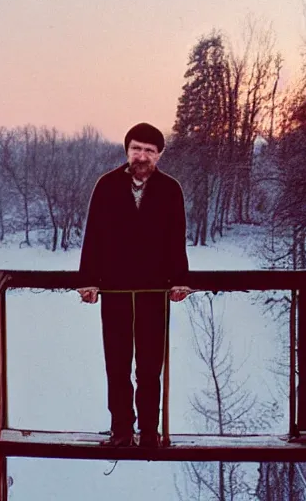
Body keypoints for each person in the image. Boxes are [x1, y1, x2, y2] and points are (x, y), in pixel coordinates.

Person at [78, 122, 190, 448]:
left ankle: (150, 434)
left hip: (154, 293)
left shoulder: (171, 190)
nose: (142, 156)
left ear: (159, 155)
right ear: (127, 150)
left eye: (149, 151)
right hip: (114, 291)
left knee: (150, 366)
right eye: (136, 148)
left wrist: (180, 280)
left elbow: (176, 239)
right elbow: (93, 237)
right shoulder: (107, 186)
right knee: (117, 363)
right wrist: (88, 281)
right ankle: (121, 431)